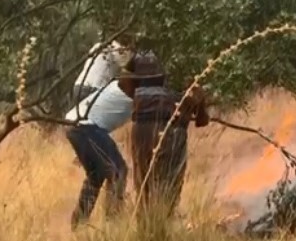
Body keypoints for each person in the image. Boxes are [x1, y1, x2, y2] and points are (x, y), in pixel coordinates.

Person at [124, 52, 210, 220]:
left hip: (139, 133)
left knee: (143, 186)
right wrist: (198, 96)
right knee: (167, 185)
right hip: (168, 133)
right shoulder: (181, 97)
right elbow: (202, 121)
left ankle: (147, 232)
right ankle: (163, 225)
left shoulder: (136, 96)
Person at [64, 65, 140, 229]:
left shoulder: (116, 88)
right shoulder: (131, 94)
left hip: (75, 125)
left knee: (96, 175)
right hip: (85, 126)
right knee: (117, 171)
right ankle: (112, 222)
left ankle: (78, 224)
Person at [73, 38, 132, 103]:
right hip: (96, 89)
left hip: (79, 85)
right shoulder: (122, 53)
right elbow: (126, 71)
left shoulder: (98, 46)